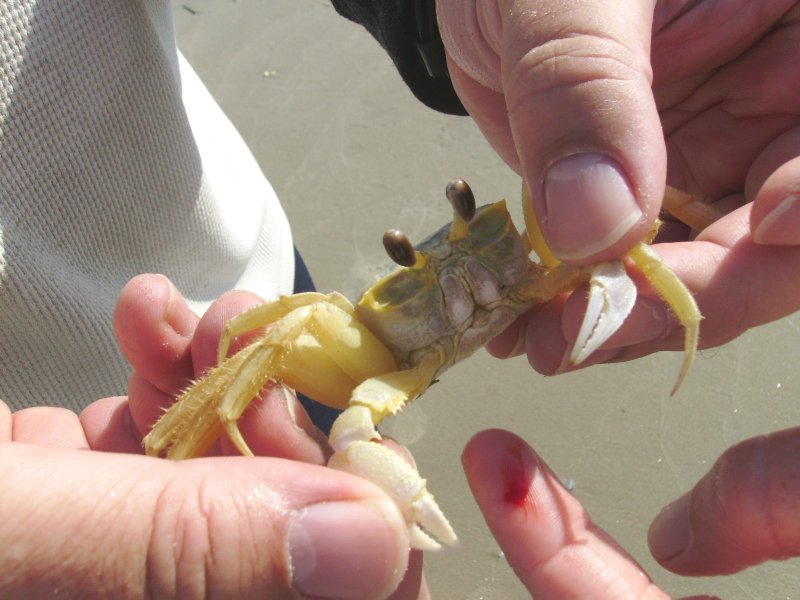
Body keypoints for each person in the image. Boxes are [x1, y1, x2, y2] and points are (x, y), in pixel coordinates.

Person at [2, 0, 800, 597]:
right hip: (374, 363)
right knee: (270, 344)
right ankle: (172, 462)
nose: (462, 286)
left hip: (235, 257)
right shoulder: (374, 355)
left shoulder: (534, 244)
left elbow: (622, 219)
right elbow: (300, 354)